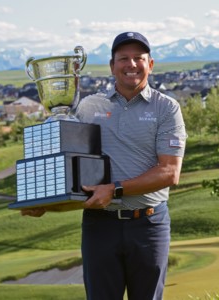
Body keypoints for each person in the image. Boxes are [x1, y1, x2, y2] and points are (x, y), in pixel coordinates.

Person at [22, 31, 187, 300]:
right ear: (112, 66)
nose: (131, 65)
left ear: (151, 64)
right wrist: (45, 201)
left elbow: (170, 172)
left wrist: (115, 189)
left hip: (148, 224)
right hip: (100, 226)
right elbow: (71, 162)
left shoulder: (166, 108)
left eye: (138, 58)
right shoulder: (89, 107)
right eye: (123, 58)